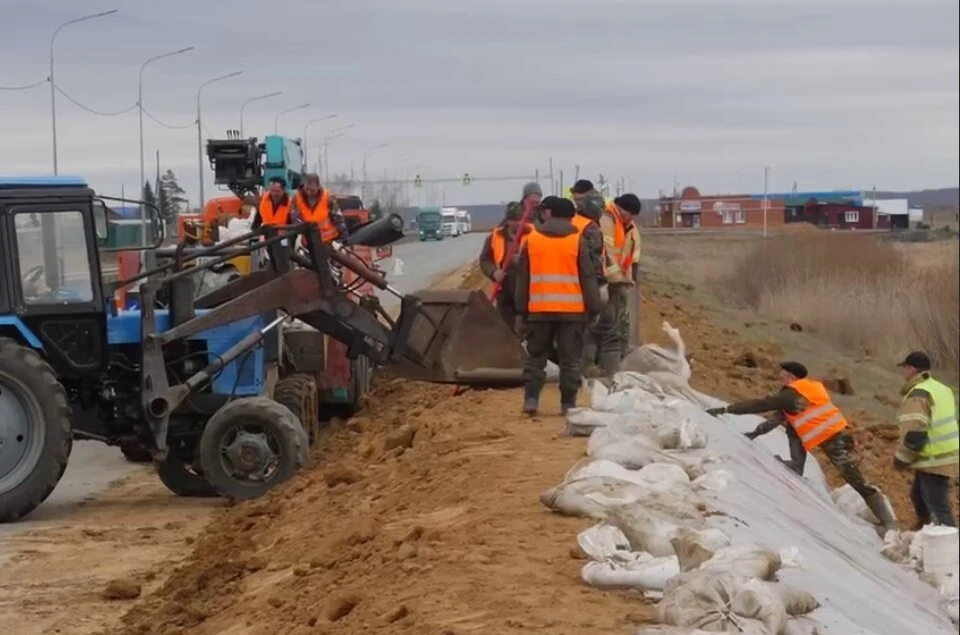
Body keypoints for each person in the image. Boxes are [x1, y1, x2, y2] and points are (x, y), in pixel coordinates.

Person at [706, 361, 898, 534]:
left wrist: (726, 410)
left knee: (854, 479)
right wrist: (755, 434)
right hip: (833, 434)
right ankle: (797, 463)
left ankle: (889, 523)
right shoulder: (808, 388)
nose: (780, 377)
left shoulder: (792, 393)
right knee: (792, 425)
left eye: (783, 374)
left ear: (791, 376)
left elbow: (760, 405)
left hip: (834, 438)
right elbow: (779, 417)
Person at [515, 196, 603, 416]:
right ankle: (568, 404)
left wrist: (521, 309)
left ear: (548, 213)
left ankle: (532, 400)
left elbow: (522, 278)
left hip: (539, 311)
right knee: (570, 361)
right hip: (572, 313)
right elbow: (588, 278)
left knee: (536, 358)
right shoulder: (578, 241)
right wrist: (594, 308)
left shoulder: (532, 240)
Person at [893, 352, 958, 528]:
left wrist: (902, 458)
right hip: (944, 452)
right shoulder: (941, 389)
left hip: (934, 456)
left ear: (912, 369)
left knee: (938, 507)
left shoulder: (919, 393)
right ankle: (922, 532)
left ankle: (950, 546)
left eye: (904, 368)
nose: (903, 373)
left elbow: (915, 433)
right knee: (918, 496)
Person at [595, 193, 642, 375]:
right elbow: (606, 253)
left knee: (618, 324)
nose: (632, 219)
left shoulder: (626, 226)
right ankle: (606, 368)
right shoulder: (607, 221)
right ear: (622, 209)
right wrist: (613, 279)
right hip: (608, 282)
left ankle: (618, 363)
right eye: (630, 214)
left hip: (619, 282)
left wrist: (629, 278)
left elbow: (631, 255)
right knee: (607, 327)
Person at [478, 201, 531, 332]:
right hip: (505, 288)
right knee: (506, 328)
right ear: (507, 221)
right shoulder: (495, 236)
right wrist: (494, 272)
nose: (517, 223)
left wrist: (524, 260)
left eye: (519, 219)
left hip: (528, 289)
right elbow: (485, 259)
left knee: (528, 329)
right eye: (513, 219)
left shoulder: (534, 234)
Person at [290, 173, 349, 244]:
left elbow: (338, 217)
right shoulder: (296, 198)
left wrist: (344, 236)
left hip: (328, 240)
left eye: (312, 190)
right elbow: (294, 217)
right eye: (307, 189)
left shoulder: (328, 197)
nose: (309, 192)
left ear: (318, 187)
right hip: (307, 241)